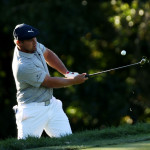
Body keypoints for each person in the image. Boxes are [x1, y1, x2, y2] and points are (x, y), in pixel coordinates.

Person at [12, 23, 88, 139]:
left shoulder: (33, 46)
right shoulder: (23, 66)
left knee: (68, 142)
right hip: (32, 110)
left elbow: (48, 54)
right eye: (29, 40)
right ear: (19, 43)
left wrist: (67, 73)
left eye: (35, 38)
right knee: (26, 147)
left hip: (52, 105)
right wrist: (73, 81)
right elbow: (48, 82)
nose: (34, 42)